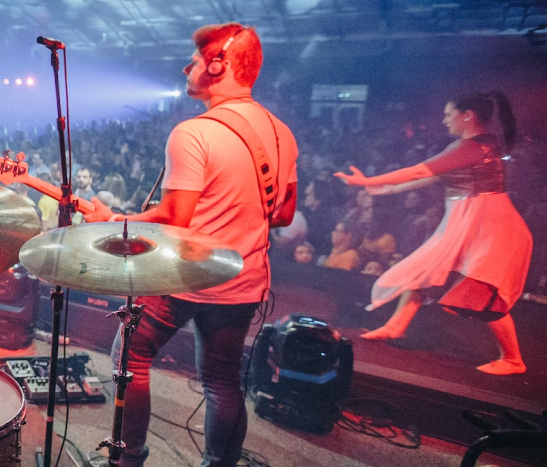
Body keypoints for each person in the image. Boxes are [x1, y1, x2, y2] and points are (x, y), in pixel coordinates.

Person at [81, 23, 298, 467]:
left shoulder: (194, 132)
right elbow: (284, 214)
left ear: (219, 66)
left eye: (195, 60)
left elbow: (173, 219)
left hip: (184, 276)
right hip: (243, 280)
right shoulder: (281, 133)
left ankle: (128, 459)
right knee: (222, 381)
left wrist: (112, 220)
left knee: (130, 356)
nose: (187, 67)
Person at [336, 91, 531, 375]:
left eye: (449, 114)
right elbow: (434, 176)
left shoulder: (476, 146)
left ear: (468, 116)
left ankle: (513, 360)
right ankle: (395, 326)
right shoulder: (467, 147)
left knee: (483, 296)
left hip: (493, 232)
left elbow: (420, 171)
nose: (444, 120)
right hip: (469, 226)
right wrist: (384, 189)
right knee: (425, 270)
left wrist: (369, 180)